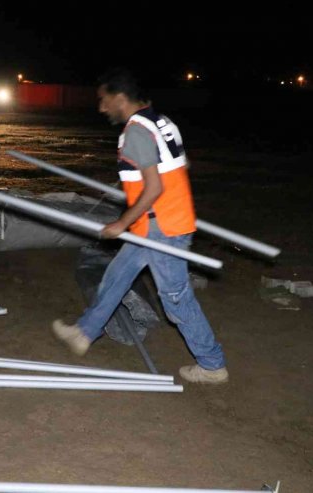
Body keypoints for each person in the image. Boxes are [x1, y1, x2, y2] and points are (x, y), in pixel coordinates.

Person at [52, 68, 229, 384]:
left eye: (104, 100)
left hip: (163, 228)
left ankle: (213, 364)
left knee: (176, 300)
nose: (101, 108)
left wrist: (122, 222)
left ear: (120, 98)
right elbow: (178, 165)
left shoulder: (134, 132)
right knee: (116, 276)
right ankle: (85, 332)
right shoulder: (161, 121)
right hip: (153, 225)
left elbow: (154, 187)